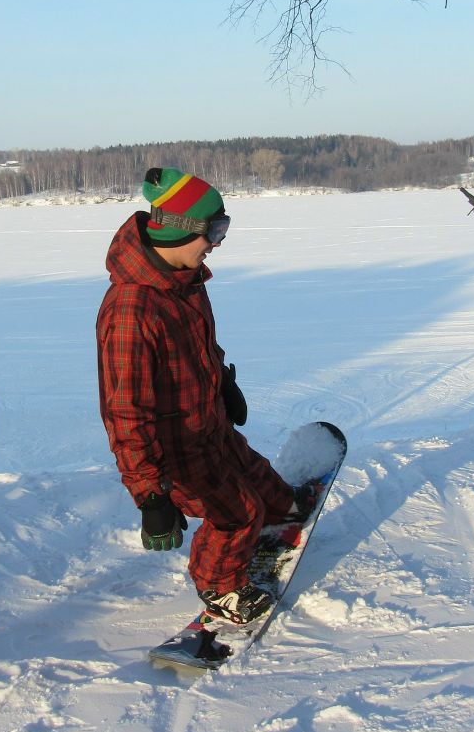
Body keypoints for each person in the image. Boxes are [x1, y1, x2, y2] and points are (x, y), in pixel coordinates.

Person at [96, 167, 317, 625]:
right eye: (214, 230)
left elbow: (202, 347)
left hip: (208, 427)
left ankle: (282, 509)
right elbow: (124, 413)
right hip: (176, 453)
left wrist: (224, 383)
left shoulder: (184, 281)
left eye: (224, 227)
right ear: (181, 229)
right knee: (238, 515)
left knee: (260, 479)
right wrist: (151, 497)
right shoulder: (131, 310)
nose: (217, 241)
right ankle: (220, 586)